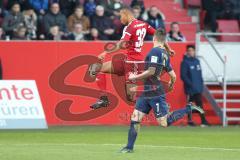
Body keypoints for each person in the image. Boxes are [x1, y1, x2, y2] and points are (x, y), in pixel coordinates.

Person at [120, 29, 204, 153]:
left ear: (154, 39)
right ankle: (129, 147)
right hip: (147, 91)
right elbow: (173, 75)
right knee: (135, 118)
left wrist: (134, 77)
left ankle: (189, 108)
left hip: (154, 91)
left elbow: (151, 71)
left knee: (163, 123)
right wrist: (171, 83)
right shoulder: (164, 54)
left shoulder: (155, 51)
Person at [88, 8, 174, 109]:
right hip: (127, 60)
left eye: (120, 17)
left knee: (131, 98)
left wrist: (105, 52)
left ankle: (158, 102)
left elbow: (120, 45)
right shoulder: (143, 24)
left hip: (133, 63)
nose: (120, 20)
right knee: (95, 68)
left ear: (126, 15)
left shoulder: (130, 27)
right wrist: (169, 49)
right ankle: (103, 99)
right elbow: (159, 35)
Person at [180, 45, 210, 127]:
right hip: (190, 89)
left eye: (192, 50)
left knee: (200, 104)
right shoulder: (185, 62)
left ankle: (203, 121)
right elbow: (183, 76)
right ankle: (190, 121)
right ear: (187, 52)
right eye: (189, 50)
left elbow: (200, 75)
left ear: (194, 51)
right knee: (190, 105)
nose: (191, 52)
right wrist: (190, 85)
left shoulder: (197, 61)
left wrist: (201, 85)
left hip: (198, 88)